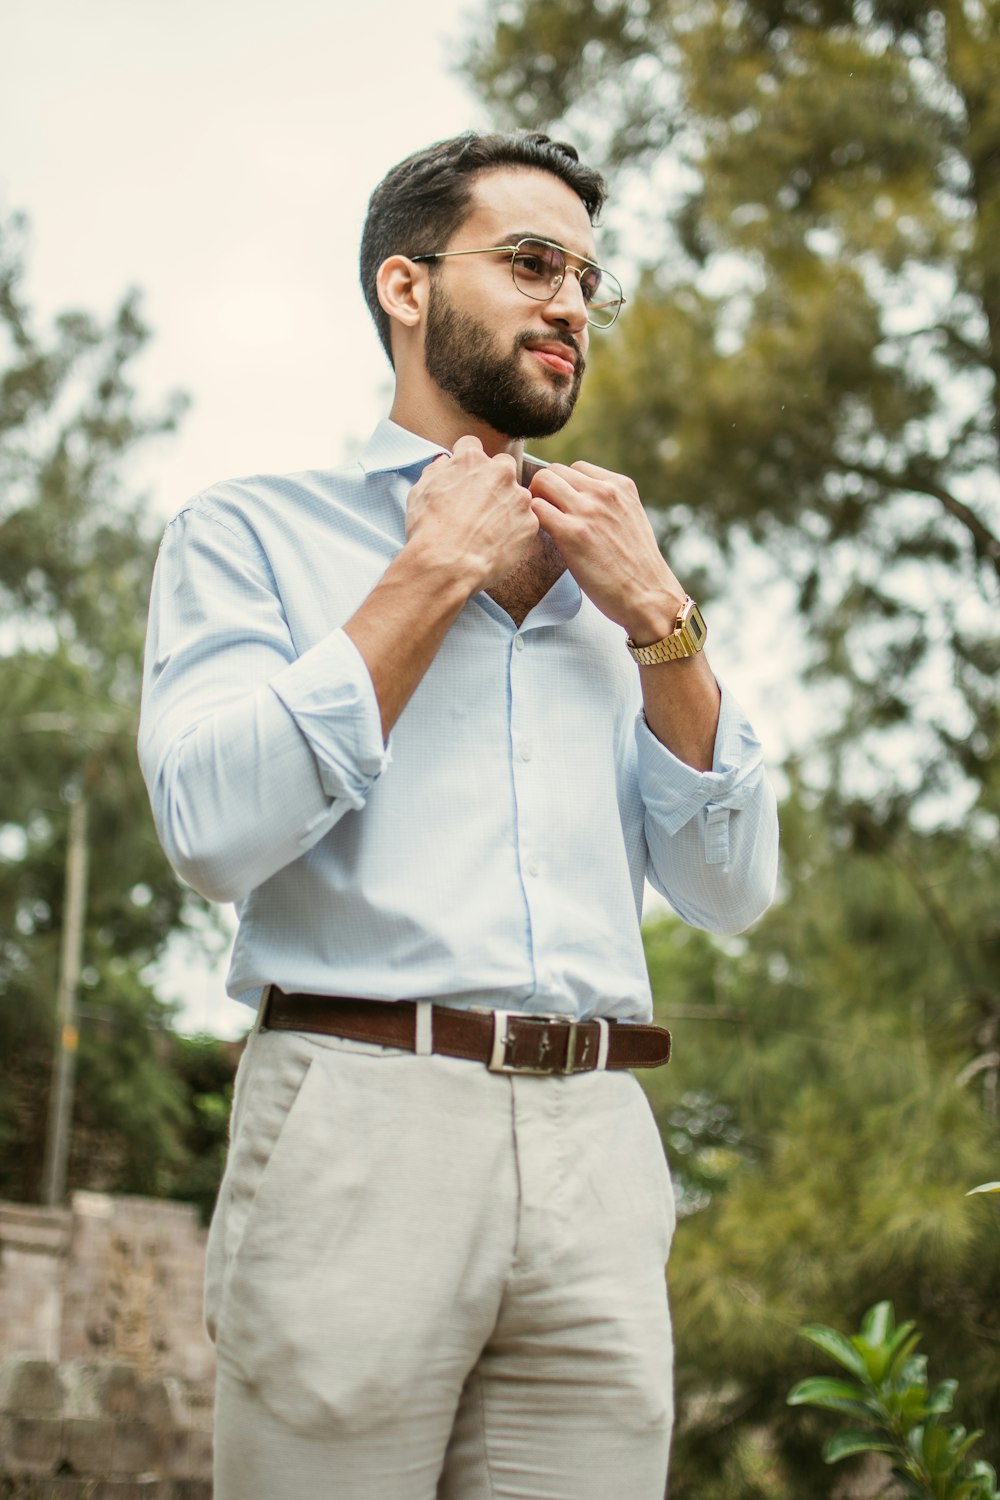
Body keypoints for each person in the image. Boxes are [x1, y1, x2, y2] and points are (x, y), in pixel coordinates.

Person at [138, 130, 778, 1500]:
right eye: (533, 263)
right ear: (406, 287)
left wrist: (667, 625)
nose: (570, 306)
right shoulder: (249, 533)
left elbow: (731, 888)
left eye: (589, 283)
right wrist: (429, 576)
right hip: (359, 1118)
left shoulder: (626, 581)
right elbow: (208, 827)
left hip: (603, 1142)